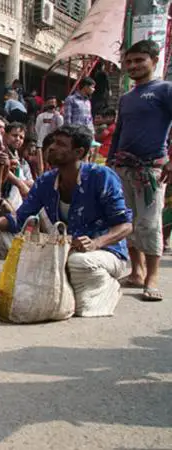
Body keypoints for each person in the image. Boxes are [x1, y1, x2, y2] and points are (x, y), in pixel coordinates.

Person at [0, 125, 133, 316]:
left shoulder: (102, 176)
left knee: (78, 264)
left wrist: (96, 243)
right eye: (52, 142)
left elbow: (125, 225)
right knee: (4, 240)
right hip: (66, 250)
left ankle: (107, 289)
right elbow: (17, 221)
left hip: (105, 253)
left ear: (79, 152)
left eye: (61, 144)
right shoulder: (46, 181)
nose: (51, 147)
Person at [108, 39, 172, 301]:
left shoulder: (164, 90)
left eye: (139, 60)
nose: (133, 66)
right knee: (129, 223)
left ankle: (152, 278)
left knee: (149, 223)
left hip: (151, 170)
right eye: (129, 61)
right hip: (123, 166)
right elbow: (119, 132)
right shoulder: (126, 98)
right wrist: (111, 163)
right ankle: (136, 271)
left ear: (154, 61)